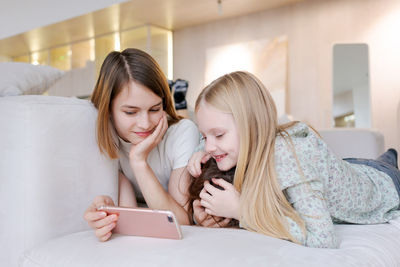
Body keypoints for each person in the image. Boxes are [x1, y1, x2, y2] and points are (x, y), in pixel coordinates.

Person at [187, 71, 400, 248]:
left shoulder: (287, 155)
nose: (209, 146)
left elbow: (323, 239)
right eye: (205, 136)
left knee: (387, 162)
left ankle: (390, 156)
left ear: (251, 125)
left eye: (219, 135)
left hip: (384, 182)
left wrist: (242, 211)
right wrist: (200, 152)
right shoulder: (240, 147)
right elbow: (208, 142)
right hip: (346, 169)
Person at [83, 48, 200, 241]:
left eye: (155, 109)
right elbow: (128, 214)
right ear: (108, 109)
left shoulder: (182, 132)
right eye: (131, 112)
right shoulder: (105, 140)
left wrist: (139, 161)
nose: (145, 124)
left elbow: (181, 221)